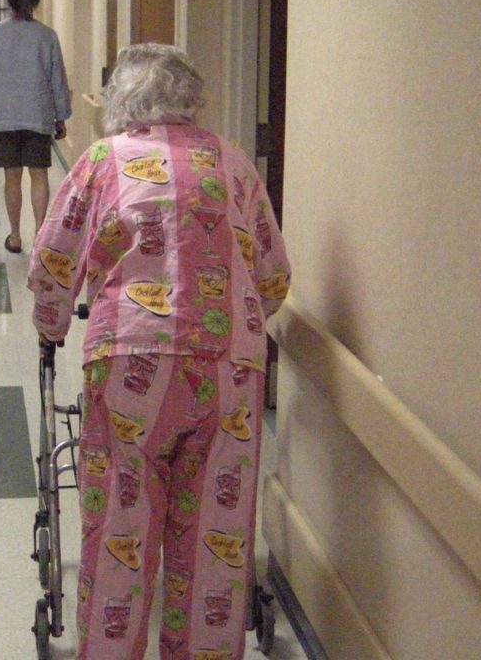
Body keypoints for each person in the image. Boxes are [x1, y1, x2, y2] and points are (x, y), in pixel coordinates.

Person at [27, 43, 291, 660]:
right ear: (192, 101)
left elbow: (51, 265)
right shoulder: (234, 165)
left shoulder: (98, 163)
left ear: (120, 103)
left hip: (128, 369)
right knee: (214, 548)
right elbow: (275, 278)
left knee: (120, 528)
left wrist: (52, 322)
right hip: (230, 369)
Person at [0, 0, 71, 254]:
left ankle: (15, 235)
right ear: (35, 3)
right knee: (39, 175)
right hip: (38, 114)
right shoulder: (47, 35)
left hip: (4, 115)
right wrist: (61, 115)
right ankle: (40, 234)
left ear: (10, 3)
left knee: (11, 177)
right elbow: (57, 78)